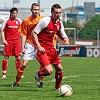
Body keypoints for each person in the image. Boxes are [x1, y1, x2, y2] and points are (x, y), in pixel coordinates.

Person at [32, 4, 69, 90]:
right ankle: (38, 74)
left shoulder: (60, 23)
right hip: (42, 49)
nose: (58, 15)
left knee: (59, 69)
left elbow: (63, 34)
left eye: (60, 13)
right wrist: (39, 46)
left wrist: (65, 39)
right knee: (49, 71)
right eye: (56, 13)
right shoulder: (45, 21)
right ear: (51, 12)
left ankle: (57, 88)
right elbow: (34, 33)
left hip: (51, 48)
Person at [12, 3, 43, 87]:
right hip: (29, 44)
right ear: (31, 10)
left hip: (40, 44)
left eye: (37, 9)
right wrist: (22, 47)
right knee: (24, 64)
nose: (36, 11)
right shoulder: (26, 21)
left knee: (44, 64)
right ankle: (17, 81)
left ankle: (40, 81)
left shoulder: (43, 19)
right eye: (34, 9)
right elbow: (23, 35)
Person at [1, 7, 22, 78]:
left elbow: (21, 32)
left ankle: (19, 73)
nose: (15, 15)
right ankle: (4, 73)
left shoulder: (19, 21)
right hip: (8, 42)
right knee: (6, 57)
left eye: (16, 13)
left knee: (18, 57)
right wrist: (4, 40)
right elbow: (2, 31)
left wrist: (22, 41)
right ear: (11, 13)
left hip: (17, 42)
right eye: (13, 13)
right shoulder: (6, 21)